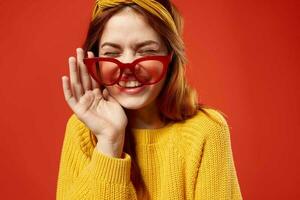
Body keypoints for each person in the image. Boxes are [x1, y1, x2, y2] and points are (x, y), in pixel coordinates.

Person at [56, 0, 243, 199]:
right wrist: (110, 142)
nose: (128, 65)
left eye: (147, 51)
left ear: (170, 58)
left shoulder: (207, 131)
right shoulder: (83, 130)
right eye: (112, 53)